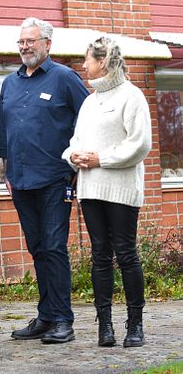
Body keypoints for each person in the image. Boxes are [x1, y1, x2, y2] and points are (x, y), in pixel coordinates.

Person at [0, 17, 90, 344]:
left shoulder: (65, 78)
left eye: (30, 41)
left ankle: (63, 319)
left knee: (53, 247)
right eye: (21, 42)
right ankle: (46, 316)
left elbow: (88, 119)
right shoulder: (10, 83)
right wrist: (5, 171)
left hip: (54, 178)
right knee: (37, 248)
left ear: (47, 44)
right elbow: (5, 131)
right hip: (20, 181)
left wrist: (78, 162)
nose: (24, 47)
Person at [62, 37, 151, 348]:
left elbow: (139, 144)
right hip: (91, 188)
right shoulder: (89, 102)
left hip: (121, 188)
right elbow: (77, 140)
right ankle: (106, 327)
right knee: (99, 255)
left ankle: (135, 325)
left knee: (126, 254)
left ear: (104, 61)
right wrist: (72, 155)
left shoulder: (132, 96)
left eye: (88, 59)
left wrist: (101, 159)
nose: (84, 65)